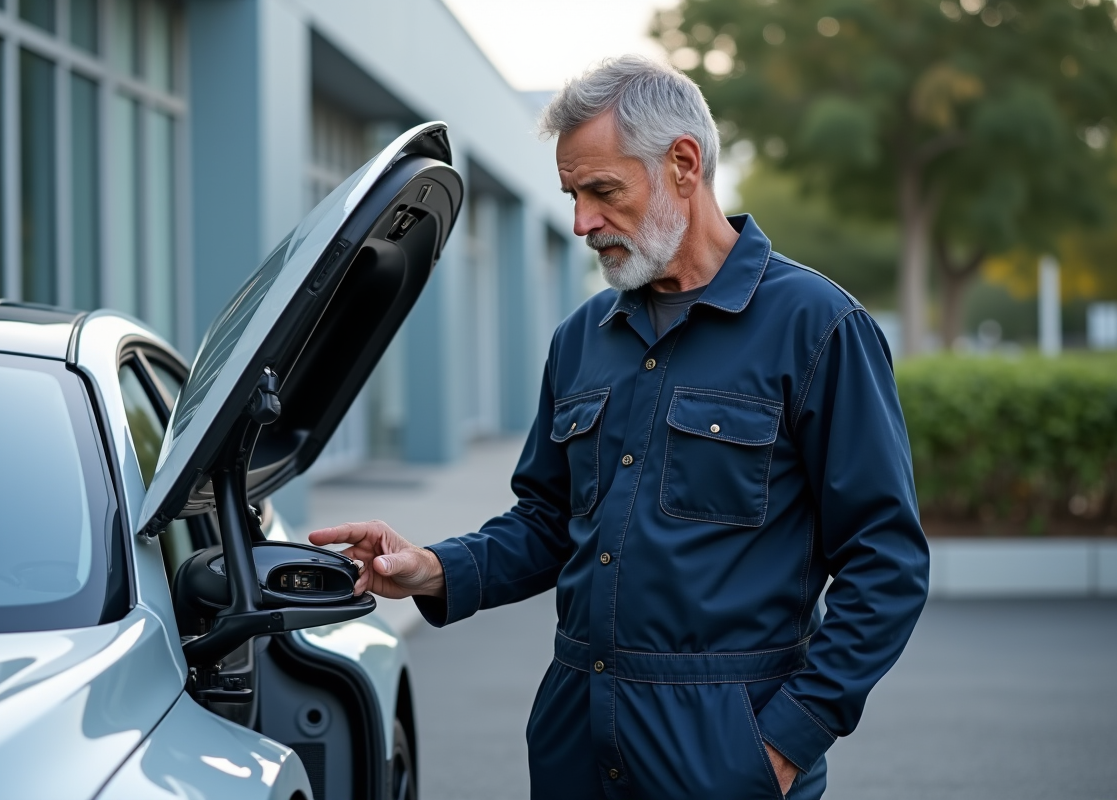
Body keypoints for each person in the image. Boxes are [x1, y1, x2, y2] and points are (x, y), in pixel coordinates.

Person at [311, 55, 929, 800]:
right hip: (576, 736)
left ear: (683, 164)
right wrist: (431, 569)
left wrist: (786, 740)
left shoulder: (819, 328)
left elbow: (885, 561)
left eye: (602, 191)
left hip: (726, 751)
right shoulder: (582, 338)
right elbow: (546, 521)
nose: (581, 223)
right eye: (573, 194)